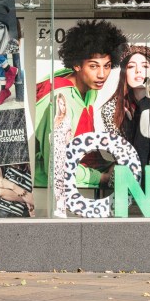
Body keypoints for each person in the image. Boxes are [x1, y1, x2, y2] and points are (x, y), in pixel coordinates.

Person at [34, 19, 127, 189]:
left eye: (106, 66)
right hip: (48, 190)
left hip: (77, 181)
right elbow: (56, 167)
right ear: (76, 65)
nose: (102, 74)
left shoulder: (88, 89)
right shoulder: (60, 99)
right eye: (93, 66)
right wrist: (100, 177)